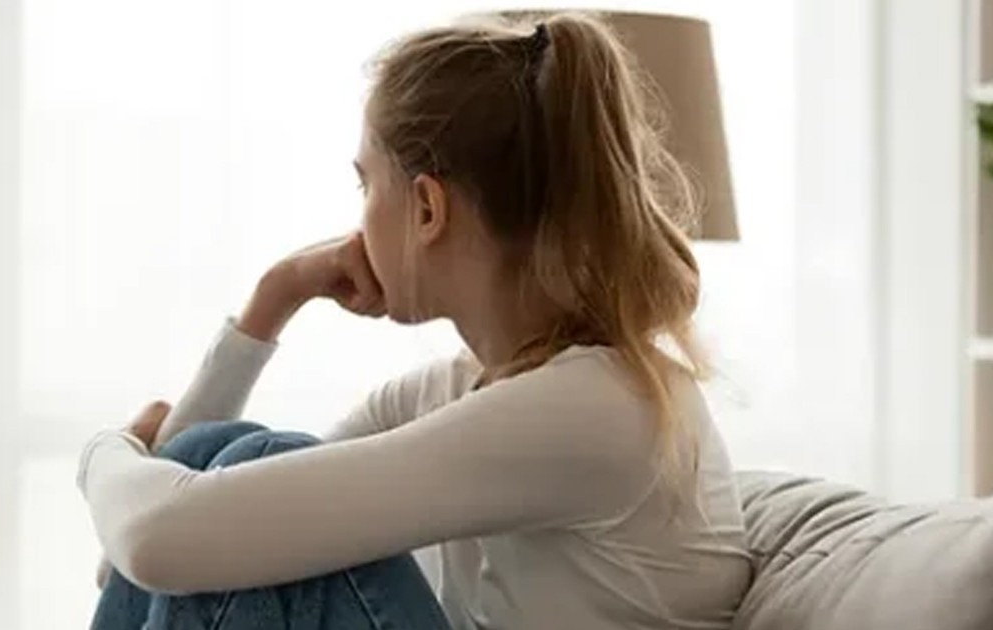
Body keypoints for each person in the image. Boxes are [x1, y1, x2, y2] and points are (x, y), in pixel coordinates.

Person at [79, 11, 751, 630]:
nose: (358, 217)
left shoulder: (595, 407)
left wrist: (105, 453)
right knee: (226, 462)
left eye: (366, 184)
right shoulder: (457, 390)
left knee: (254, 464)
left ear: (428, 209)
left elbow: (158, 539)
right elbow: (160, 551)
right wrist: (275, 297)